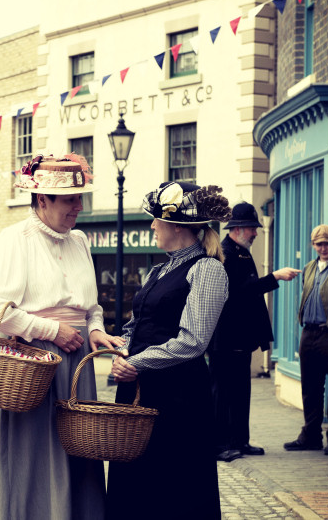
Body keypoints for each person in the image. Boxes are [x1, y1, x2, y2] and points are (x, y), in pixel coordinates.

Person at [0, 153, 122, 520]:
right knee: (32, 456)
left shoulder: (81, 241)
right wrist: (50, 330)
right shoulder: (14, 239)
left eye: (80, 196)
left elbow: (92, 306)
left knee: (78, 450)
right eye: (71, 199)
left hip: (76, 367)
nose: (79, 206)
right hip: (32, 368)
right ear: (42, 200)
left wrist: (96, 329)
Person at [106, 182, 232, 520]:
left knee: (173, 483)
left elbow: (193, 341)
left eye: (156, 220)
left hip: (177, 395)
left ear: (176, 225)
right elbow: (138, 324)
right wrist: (119, 348)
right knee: (134, 480)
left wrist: (137, 362)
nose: (151, 226)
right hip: (138, 386)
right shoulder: (159, 269)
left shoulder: (207, 268)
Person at [209, 202, 300, 462]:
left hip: (240, 339)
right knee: (223, 393)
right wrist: (274, 277)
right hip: (226, 340)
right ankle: (220, 444)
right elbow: (237, 292)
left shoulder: (242, 252)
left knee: (240, 393)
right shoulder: (225, 253)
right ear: (238, 229)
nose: (256, 233)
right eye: (252, 229)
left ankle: (240, 441)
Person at [284, 225, 328, 455]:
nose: (323, 248)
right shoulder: (309, 267)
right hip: (308, 333)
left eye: (327, 243)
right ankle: (311, 435)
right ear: (313, 245)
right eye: (319, 244)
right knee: (310, 387)